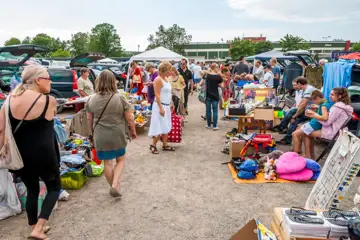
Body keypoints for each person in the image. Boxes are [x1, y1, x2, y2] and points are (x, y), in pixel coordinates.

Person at [0, 65, 60, 240]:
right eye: (48, 78)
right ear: (38, 80)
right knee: (54, 188)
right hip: (44, 154)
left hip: (21, 155)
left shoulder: (10, 100)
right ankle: (39, 228)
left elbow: (1, 130)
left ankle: (34, 225)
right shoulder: (49, 101)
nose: (51, 82)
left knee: (32, 190)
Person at [86, 70, 136, 198]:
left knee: (107, 163)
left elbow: (89, 119)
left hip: (100, 135)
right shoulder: (119, 98)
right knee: (120, 160)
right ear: (113, 81)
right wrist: (133, 131)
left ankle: (112, 186)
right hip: (117, 134)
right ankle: (114, 185)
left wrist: (91, 134)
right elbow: (129, 117)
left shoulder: (91, 99)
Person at [303, 88, 353, 159]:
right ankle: (311, 156)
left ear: (339, 96)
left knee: (306, 132)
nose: (330, 96)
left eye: (332, 95)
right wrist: (318, 108)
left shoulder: (337, 107)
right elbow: (331, 115)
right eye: (330, 94)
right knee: (308, 131)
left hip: (334, 132)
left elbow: (326, 122)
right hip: (339, 130)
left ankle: (308, 156)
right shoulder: (342, 105)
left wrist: (314, 115)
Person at [277, 77, 317, 145]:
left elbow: (303, 105)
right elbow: (301, 103)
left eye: (296, 85)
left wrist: (295, 115)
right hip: (307, 111)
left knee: (293, 116)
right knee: (290, 113)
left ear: (299, 84)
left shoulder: (308, 90)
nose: (295, 86)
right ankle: (285, 134)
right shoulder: (305, 89)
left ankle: (281, 128)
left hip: (311, 112)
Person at [292, 90, 332, 156]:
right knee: (300, 130)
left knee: (295, 134)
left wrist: (313, 114)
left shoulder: (323, 106)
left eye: (314, 100)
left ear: (318, 98)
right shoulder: (325, 103)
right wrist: (317, 107)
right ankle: (308, 154)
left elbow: (325, 117)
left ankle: (296, 154)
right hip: (314, 123)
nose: (314, 102)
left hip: (314, 124)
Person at [148, 61, 175, 154]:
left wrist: (171, 103)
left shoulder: (166, 79)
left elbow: (168, 93)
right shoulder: (158, 79)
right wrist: (160, 107)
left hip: (166, 105)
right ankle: (153, 145)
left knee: (166, 124)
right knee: (158, 125)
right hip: (160, 105)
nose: (171, 72)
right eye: (169, 70)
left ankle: (165, 144)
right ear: (165, 70)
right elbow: (157, 94)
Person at [199, 63, 224, 130]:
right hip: (215, 95)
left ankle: (208, 125)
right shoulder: (219, 76)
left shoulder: (207, 75)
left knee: (208, 111)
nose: (218, 69)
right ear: (215, 68)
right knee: (215, 111)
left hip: (208, 95)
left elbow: (202, 78)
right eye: (218, 67)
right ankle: (215, 126)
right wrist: (218, 83)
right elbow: (222, 86)